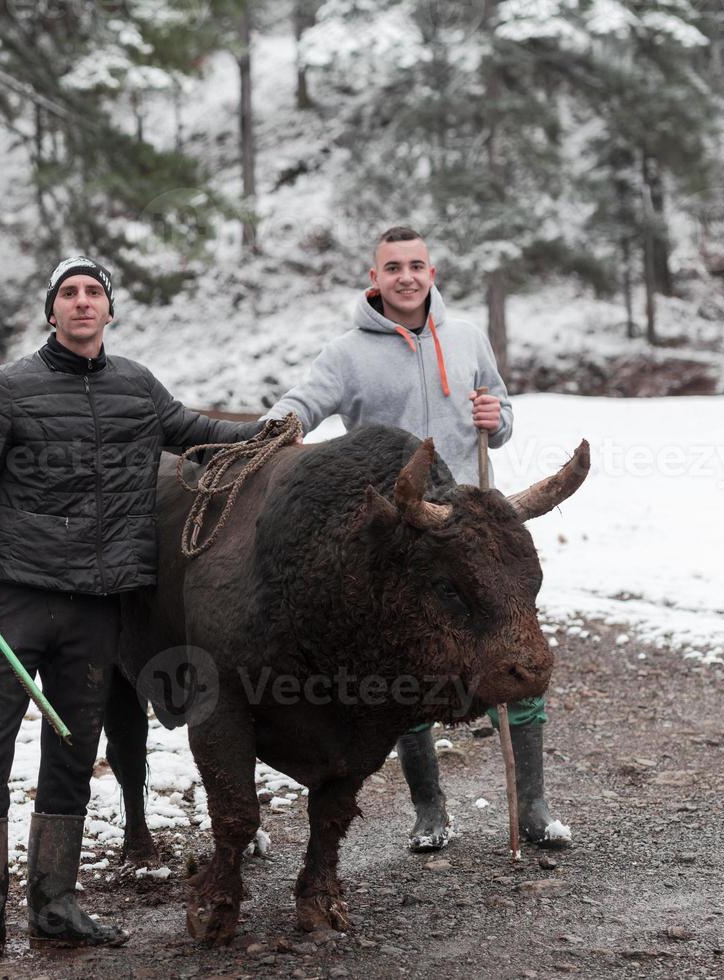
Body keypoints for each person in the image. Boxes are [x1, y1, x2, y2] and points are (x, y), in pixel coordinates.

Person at [0, 256, 267, 964]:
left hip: (97, 612)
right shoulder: (8, 390)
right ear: (50, 311)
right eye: (69, 294)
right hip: (13, 602)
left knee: (74, 754)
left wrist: (267, 435)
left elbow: (196, 433)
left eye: (94, 293)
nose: (82, 303)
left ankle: (55, 906)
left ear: (109, 311)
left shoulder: (137, 388)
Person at [265, 226, 572, 853]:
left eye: (418, 265)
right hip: (401, 541)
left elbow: (502, 412)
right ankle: (430, 810)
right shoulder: (347, 352)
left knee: (512, 648)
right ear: (373, 280)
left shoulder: (466, 339)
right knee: (412, 675)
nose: (407, 276)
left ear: (432, 273)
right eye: (393, 267)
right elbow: (305, 402)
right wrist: (277, 427)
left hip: (468, 532)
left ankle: (534, 807)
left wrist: (499, 418)